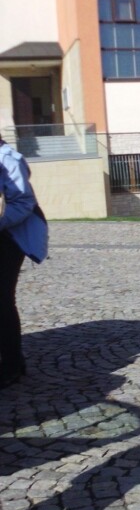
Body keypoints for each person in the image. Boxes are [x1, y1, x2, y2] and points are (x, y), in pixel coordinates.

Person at [0, 135, 48, 388]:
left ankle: (12, 364)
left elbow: (23, 202)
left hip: (8, 238)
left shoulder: (8, 159)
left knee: (1, 300)